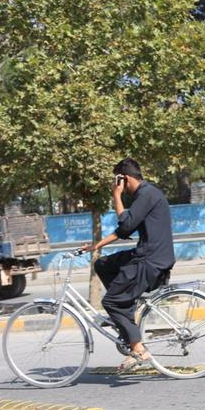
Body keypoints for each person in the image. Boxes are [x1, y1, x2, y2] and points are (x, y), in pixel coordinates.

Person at [81, 158, 175, 371]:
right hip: (146, 255)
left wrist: (116, 196)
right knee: (103, 264)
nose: (116, 185)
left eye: (118, 181)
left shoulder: (146, 194)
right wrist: (97, 246)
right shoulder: (146, 194)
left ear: (124, 179)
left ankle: (138, 349)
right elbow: (126, 227)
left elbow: (125, 227)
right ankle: (127, 308)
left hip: (150, 261)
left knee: (111, 302)